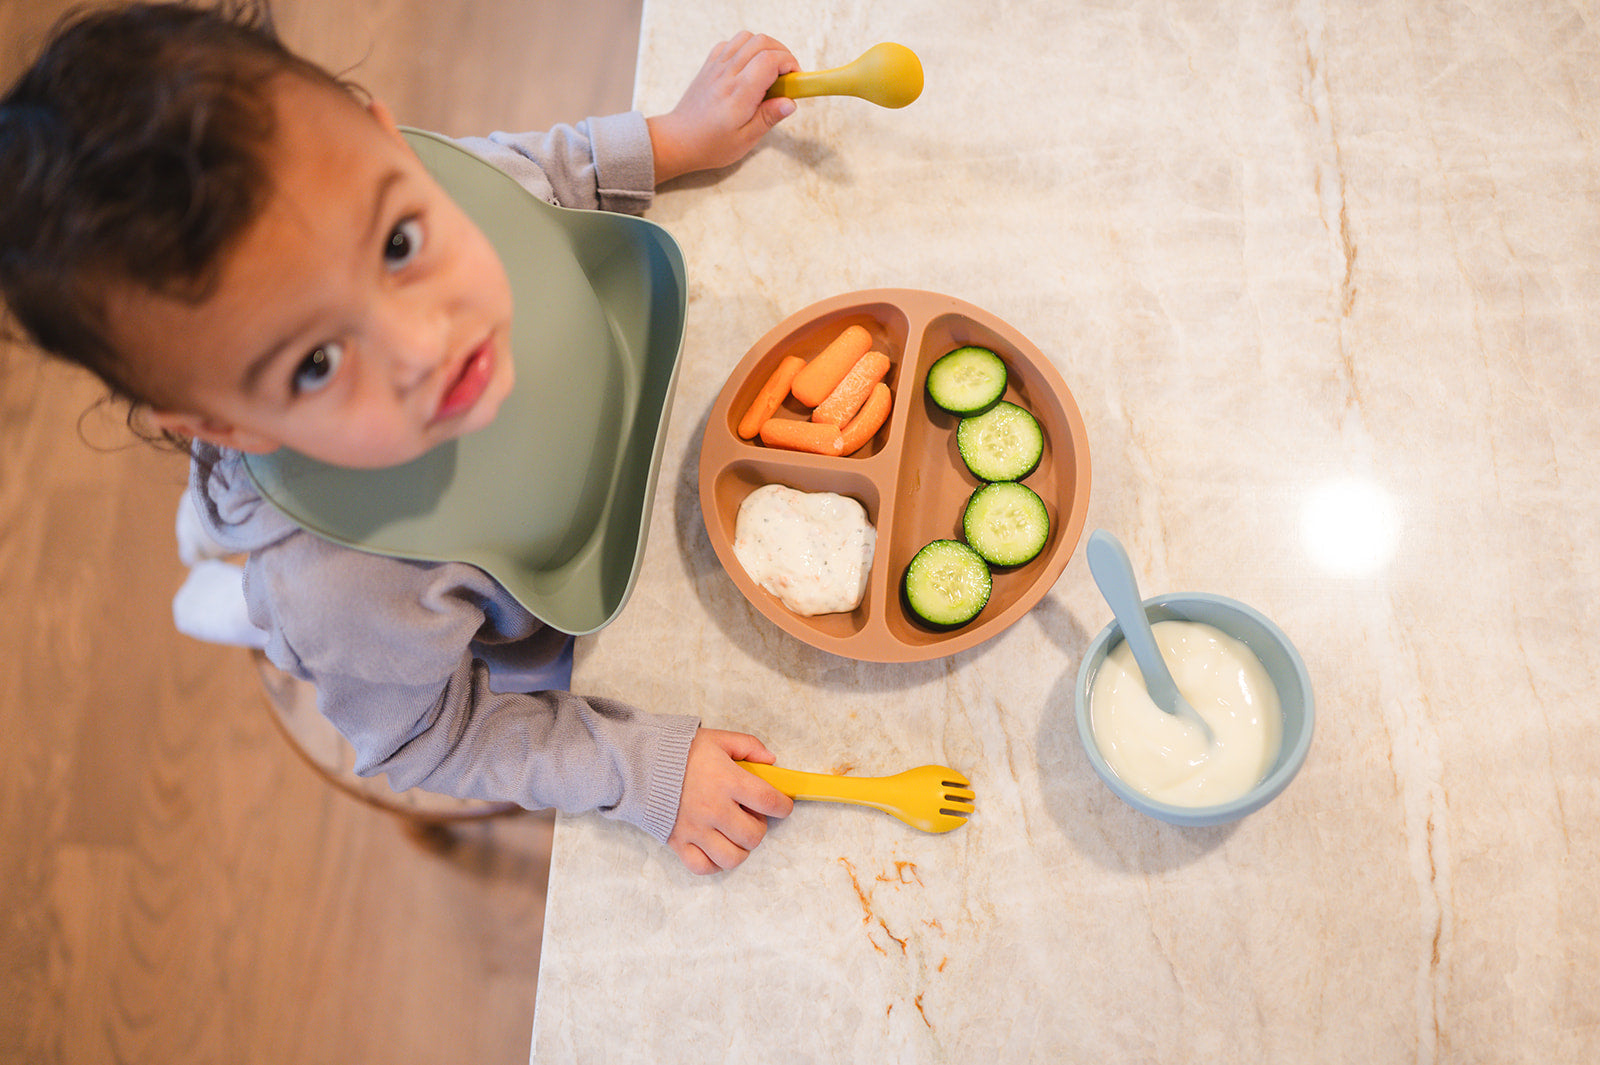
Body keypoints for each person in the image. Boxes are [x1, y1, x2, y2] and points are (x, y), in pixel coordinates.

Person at [0, 0, 800, 874]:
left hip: (614, 403)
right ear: (222, 423)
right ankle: (241, 600)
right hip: (474, 595)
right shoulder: (347, 593)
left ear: (390, 142)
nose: (425, 343)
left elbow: (524, 178)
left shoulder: (422, 185)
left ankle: (219, 533)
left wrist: (673, 140)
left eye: (398, 243)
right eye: (315, 362)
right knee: (298, 617)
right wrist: (636, 769)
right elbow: (429, 736)